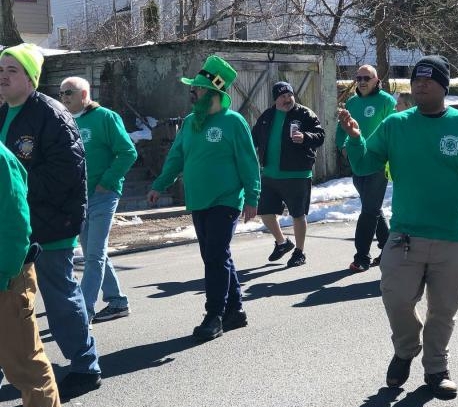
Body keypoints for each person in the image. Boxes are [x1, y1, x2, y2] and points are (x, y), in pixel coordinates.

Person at [338, 55, 458, 399]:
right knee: (396, 298)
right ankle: (405, 349)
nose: (421, 84)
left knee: (443, 310)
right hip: (405, 234)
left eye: (430, 79)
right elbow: (366, 161)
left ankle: (437, 368)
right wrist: (356, 138)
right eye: (417, 79)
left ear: (444, 85)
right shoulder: (396, 125)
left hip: (451, 235)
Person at [0, 44, 101, 401]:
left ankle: (85, 365)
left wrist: (14, 184)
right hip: (12, 228)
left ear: (30, 78)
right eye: (1, 69)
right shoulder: (3, 114)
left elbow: (65, 175)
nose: (3, 76)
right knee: (8, 302)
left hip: (50, 226)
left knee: (59, 299)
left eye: (12, 70)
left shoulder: (52, 115)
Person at [147, 55, 260, 341]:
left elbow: (248, 161)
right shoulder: (189, 123)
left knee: (215, 254)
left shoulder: (233, 122)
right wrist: (160, 184)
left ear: (211, 92)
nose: (192, 92)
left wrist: (252, 196)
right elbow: (176, 158)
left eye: (196, 88)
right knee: (215, 255)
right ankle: (235, 310)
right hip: (198, 200)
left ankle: (214, 316)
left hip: (226, 199)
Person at [0, 139, 67, 407]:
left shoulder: (2, 160)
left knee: (24, 361)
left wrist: (4, 276)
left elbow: (15, 226)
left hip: (7, 278)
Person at [59, 76, 137, 323]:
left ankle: (84, 311)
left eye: (69, 92)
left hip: (103, 195)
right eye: (61, 93)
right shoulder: (66, 120)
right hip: (79, 198)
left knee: (93, 256)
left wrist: (107, 181)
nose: (64, 97)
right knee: (96, 252)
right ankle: (117, 301)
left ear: (84, 95)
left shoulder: (105, 117)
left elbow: (127, 152)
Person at [251, 82, 325, 267]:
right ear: (275, 98)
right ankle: (282, 243)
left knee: (298, 214)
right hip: (270, 174)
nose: (287, 99)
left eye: (289, 95)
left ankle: (299, 252)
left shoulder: (304, 114)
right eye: (283, 96)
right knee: (266, 213)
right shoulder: (267, 116)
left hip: (297, 173)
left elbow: (321, 135)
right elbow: (253, 138)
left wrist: (306, 137)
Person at [335, 65, 396, 272]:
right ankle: (389, 250)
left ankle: (362, 257)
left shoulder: (387, 101)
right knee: (373, 209)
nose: (362, 81)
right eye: (359, 78)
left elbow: (393, 130)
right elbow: (340, 131)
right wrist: (343, 147)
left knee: (368, 212)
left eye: (366, 78)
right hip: (357, 164)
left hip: (378, 164)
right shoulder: (352, 102)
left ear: (376, 79)